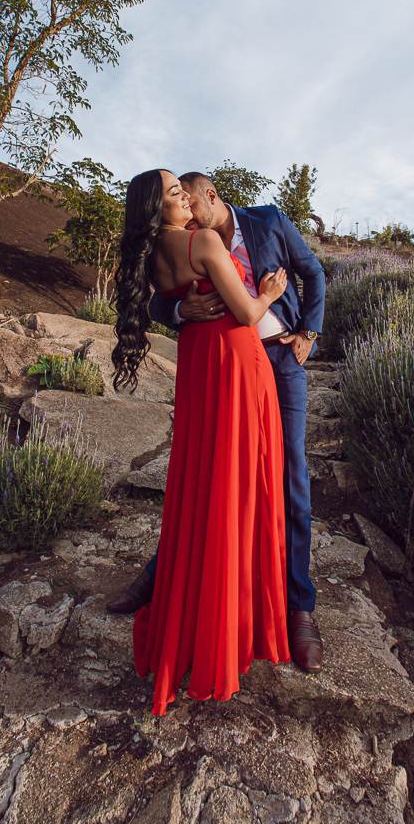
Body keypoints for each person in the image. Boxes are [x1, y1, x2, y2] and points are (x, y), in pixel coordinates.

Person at [108, 172, 327, 674]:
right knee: (209, 472)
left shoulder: (267, 221)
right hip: (226, 359)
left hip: (280, 359)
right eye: (174, 196)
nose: (185, 204)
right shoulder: (189, 238)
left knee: (289, 480)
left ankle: (300, 609)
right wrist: (184, 307)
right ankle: (159, 578)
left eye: (190, 196)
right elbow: (163, 299)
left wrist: (310, 330)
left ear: (210, 196)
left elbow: (313, 273)